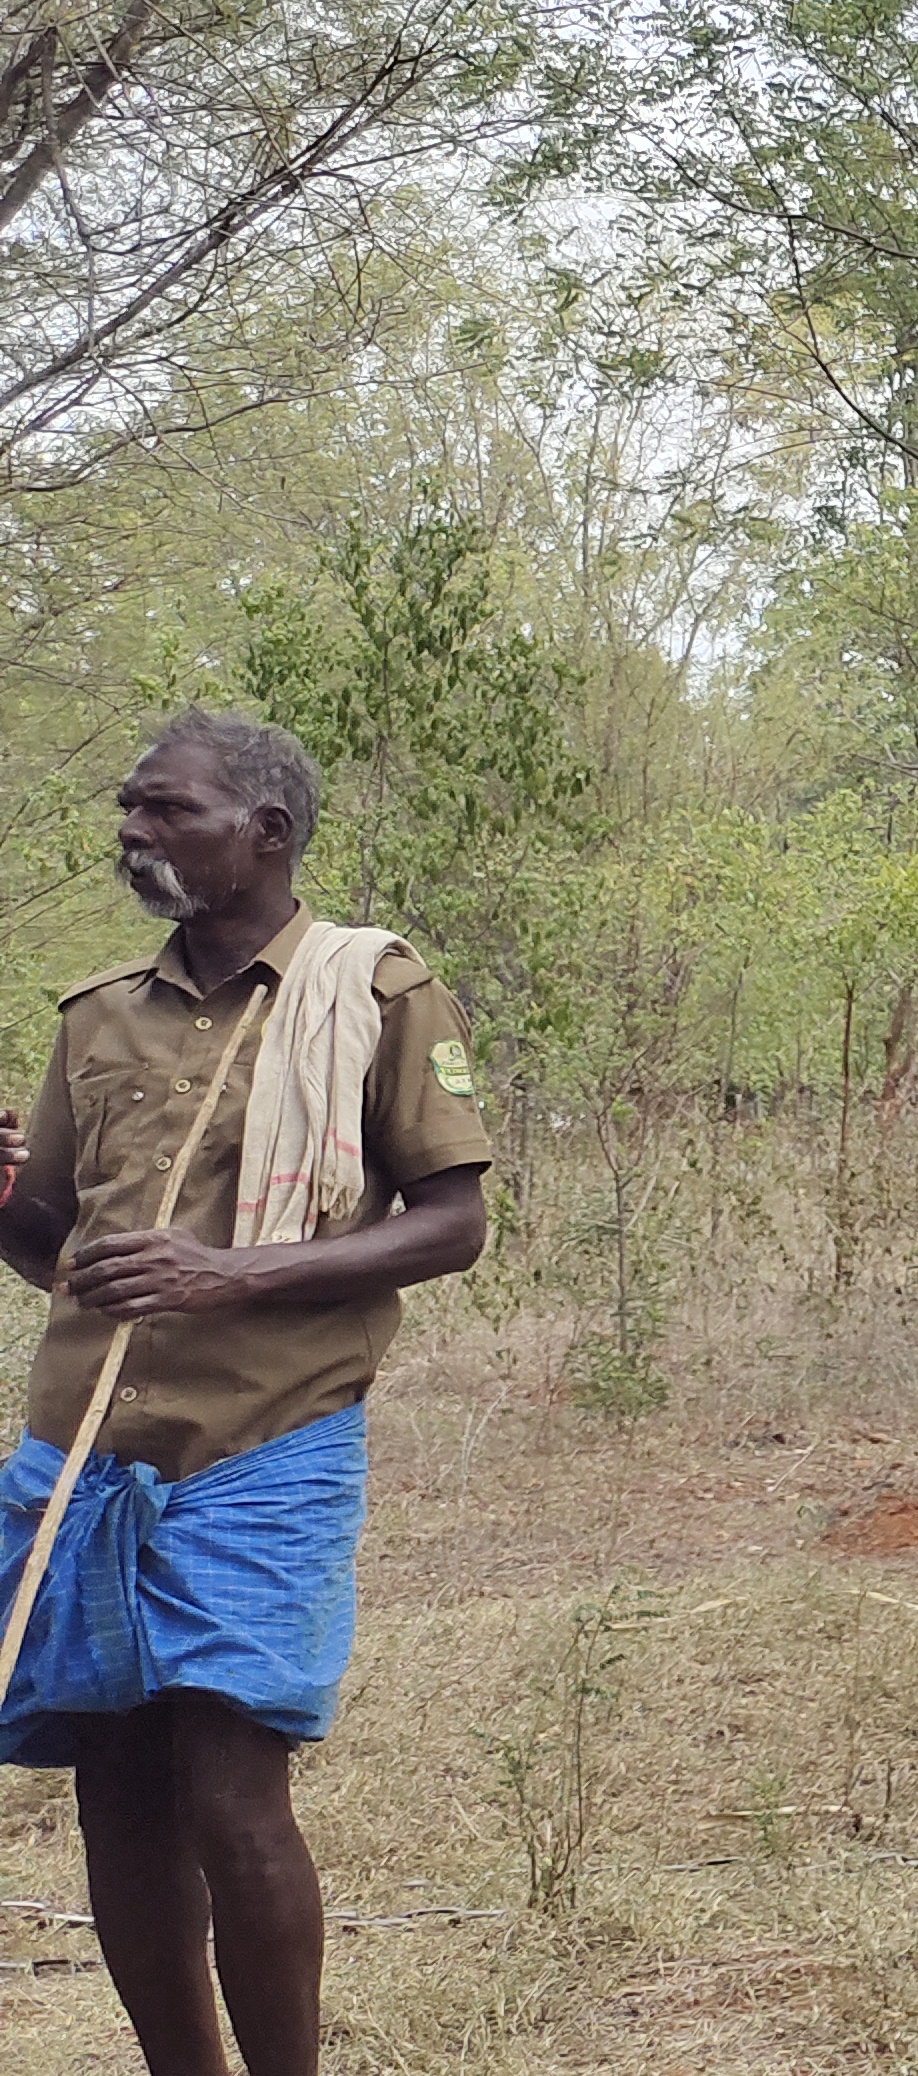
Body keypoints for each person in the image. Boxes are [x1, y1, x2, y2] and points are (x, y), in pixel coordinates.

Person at [0, 710, 492, 2076]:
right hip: (85, 1453)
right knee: (116, 1796)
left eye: (169, 810)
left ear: (265, 833)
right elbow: (57, 1252)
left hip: (267, 1445)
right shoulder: (96, 1017)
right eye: (130, 810)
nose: (136, 834)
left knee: (231, 1794)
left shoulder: (373, 991)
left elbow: (452, 1223)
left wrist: (231, 1277)